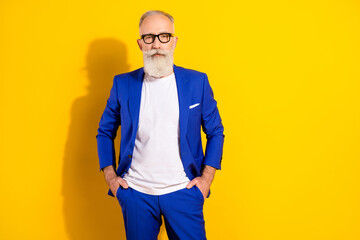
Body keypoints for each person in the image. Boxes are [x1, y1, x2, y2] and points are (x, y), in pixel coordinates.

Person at [96, 10, 224, 240]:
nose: (157, 44)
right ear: (140, 44)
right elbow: (105, 131)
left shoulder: (197, 82)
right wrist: (110, 177)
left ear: (174, 41)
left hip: (184, 192)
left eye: (164, 36)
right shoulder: (122, 84)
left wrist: (206, 179)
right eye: (149, 37)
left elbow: (216, 131)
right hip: (135, 194)